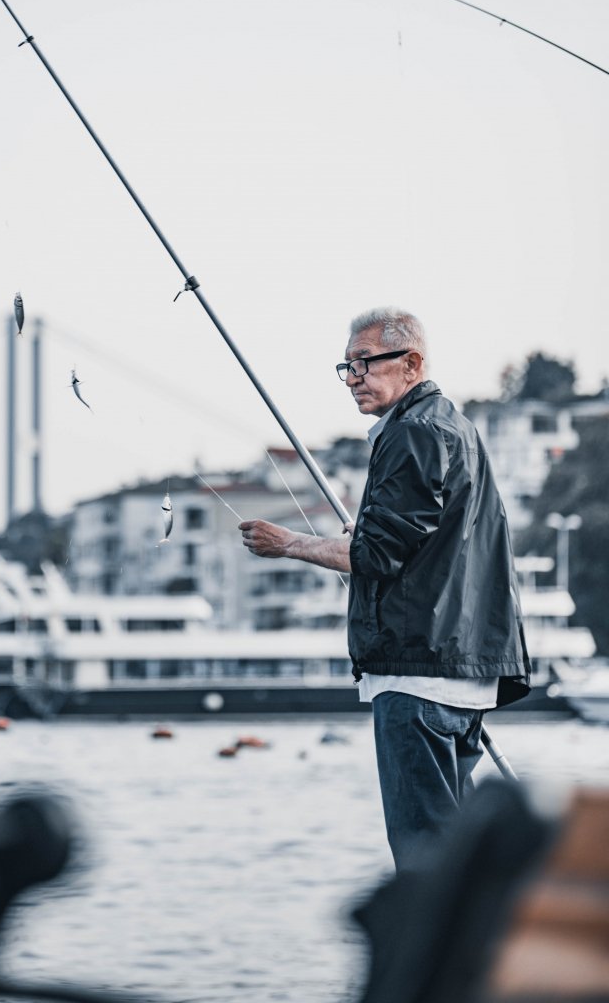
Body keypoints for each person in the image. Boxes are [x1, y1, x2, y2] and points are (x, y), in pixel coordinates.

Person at [240, 307, 530, 871]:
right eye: (347, 366)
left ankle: (438, 932)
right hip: (462, 674)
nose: (352, 379)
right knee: (454, 849)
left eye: (365, 363)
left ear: (412, 363)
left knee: (425, 854)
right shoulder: (456, 428)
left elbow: (376, 554)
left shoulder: (413, 433)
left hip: (418, 673)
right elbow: (420, 544)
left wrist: (289, 543)